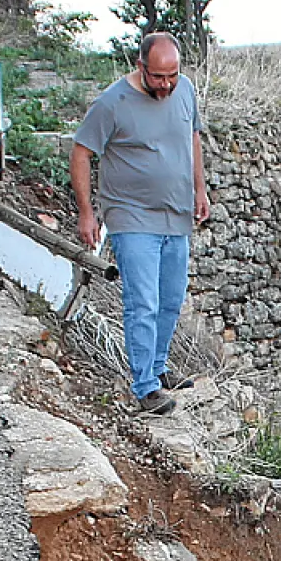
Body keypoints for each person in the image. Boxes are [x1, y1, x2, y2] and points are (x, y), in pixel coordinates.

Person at [71, 32, 211, 415]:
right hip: (131, 215)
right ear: (140, 66)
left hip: (176, 213)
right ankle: (144, 388)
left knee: (170, 299)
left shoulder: (184, 91)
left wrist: (200, 189)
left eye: (173, 75)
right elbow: (82, 153)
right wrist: (88, 212)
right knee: (142, 302)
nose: (166, 85)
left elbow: (192, 137)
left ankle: (160, 367)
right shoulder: (111, 103)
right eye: (158, 77)